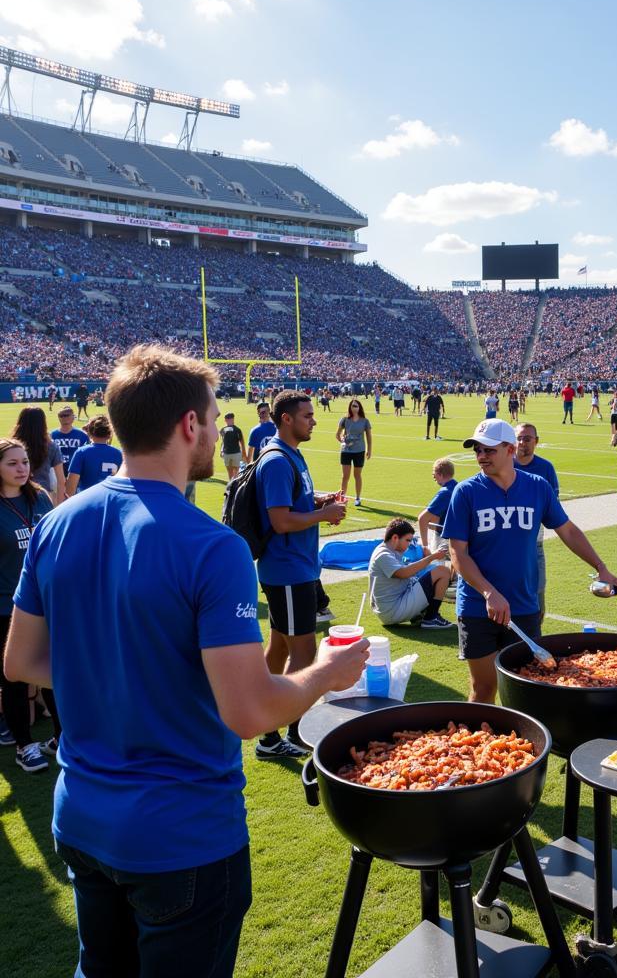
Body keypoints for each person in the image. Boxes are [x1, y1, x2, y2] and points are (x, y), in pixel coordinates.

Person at [3, 346, 369, 978]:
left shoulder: (57, 523)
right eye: (214, 411)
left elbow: (21, 660)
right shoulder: (210, 545)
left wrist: (118, 670)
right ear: (190, 426)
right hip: (180, 836)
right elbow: (251, 711)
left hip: (83, 815)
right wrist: (327, 675)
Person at [442, 419, 617, 703]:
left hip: (523, 604)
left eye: (489, 450)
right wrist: (489, 592)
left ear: (510, 449)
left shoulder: (537, 487)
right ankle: (484, 744)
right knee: (484, 688)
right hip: (478, 607)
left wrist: (601, 568)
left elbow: (568, 530)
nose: (481, 456)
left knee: (526, 687)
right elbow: (457, 553)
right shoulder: (466, 492)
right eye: (478, 449)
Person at [255, 390, 348, 759]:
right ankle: (291, 733)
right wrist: (323, 516)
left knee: (279, 648)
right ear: (287, 419)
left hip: (295, 567)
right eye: (307, 415)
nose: (314, 420)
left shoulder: (292, 454)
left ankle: (267, 732)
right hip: (288, 569)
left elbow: (293, 504)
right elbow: (279, 521)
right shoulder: (278, 459)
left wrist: (320, 500)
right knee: (304, 653)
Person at [0, 438, 54, 773]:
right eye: (12, 463)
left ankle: (61, 738)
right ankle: (24, 745)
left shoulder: (42, 497)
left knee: (54, 671)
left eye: (24, 462)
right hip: (6, 607)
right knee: (15, 677)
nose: (22, 469)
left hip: (47, 602)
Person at [368, 518, 453, 628]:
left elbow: (410, 571)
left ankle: (423, 614)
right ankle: (431, 617)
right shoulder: (383, 554)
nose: (409, 544)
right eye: (407, 540)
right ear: (395, 538)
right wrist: (432, 557)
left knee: (434, 570)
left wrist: (429, 557)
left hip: (393, 606)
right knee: (443, 571)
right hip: (392, 610)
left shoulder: (389, 550)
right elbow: (403, 573)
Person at [513, 422, 560, 621]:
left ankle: (535, 637)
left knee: (538, 594)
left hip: (534, 542)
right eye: (520, 438)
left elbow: (553, 505)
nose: (523, 442)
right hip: (506, 540)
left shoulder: (545, 468)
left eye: (528, 438)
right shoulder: (505, 465)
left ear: (536, 441)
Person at [12, 406, 65, 505]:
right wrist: (59, 506)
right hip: (42, 496)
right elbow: (61, 481)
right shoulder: (51, 446)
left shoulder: (12, 446)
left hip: (16, 496)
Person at [65, 416, 123, 496]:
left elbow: (71, 485)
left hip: (87, 500)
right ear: (109, 434)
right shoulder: (118, 453)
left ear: (90, 432)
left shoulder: (82, 452)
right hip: (109, 500)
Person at [336, 399, 372, 507]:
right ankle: (342, 498)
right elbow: (337, 434)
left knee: (357, 475)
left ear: (360, 407)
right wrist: (343, 442)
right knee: (345, 476)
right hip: (346, 451)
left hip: (359, 451)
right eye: (353, 406)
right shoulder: (344, 420)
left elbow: (369, 437)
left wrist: (369, 450)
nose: (354, 408)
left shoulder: (365, 421)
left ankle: (357, 498)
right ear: (350, 407)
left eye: (356, 406)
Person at [418, 458, 457, 552]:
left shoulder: (445, 493)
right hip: (460, 536)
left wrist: (425, 546)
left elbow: (422, 518)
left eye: (434, 472)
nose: (433, 475)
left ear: (440, 474)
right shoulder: (458, 487)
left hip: (445, 538)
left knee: (436, 564)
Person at [51, 405, 89, 477]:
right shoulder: (51, 435)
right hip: (56, 473)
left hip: (77, 473)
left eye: (67, 415)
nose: (64, 417)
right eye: (61, 415)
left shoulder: (82, 435)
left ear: (73, 417)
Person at [219, 411, 247, 480]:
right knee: (230, 472)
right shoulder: (222, 430)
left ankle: (234, 486)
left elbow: (242, 442)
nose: (229, 420)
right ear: (225, 420)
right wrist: (221, 450)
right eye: (228, 419)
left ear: (233, 419)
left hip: (236, 453)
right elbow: (223, 441)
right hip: (227, 453)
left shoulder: (237, 430)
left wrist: (243, 453)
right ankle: (231, 486)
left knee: (236, 472)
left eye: (231, 419)